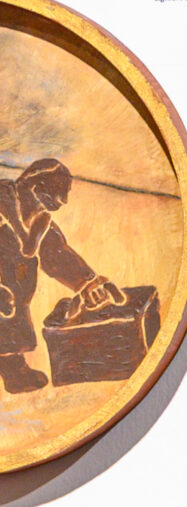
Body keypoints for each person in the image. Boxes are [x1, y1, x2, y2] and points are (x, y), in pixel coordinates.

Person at [0, 158, 126, 394]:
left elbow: (56, 253)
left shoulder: (37, 221)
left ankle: (13, 370)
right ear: (38, 188)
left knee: (14, 312)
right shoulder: (4, 200)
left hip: (12, 297)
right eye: (61, 193)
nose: (64, 201)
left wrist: (87, 282)